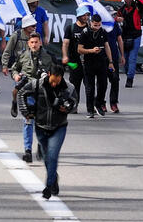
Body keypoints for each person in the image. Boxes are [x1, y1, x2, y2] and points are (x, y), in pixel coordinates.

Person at [16, 63, 76, 199]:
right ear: (49, 75)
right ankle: (53, 177)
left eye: (58, 80)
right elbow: (21, 93)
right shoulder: (37, 84)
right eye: (53, 80)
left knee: (53, 156)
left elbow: (74, 103)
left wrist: (67, 108)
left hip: (59, 127)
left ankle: (48, 187)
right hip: (41, 126)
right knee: (46, 157)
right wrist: (24, 110)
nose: (55, 84)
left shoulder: (69, 87)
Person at [11, 33, 55, 162]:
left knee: (43, 123)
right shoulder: (23, 56)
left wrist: (49, 76)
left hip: (43, 93)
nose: (34, 45)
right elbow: (14, 68)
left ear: (40, 43)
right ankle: (27, 150)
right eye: (32, 42)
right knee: (28, 121)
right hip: (28, 92)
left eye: (36, 42)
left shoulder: (48, 57)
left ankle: (41, 145)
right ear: (28, 44)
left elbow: (57, 73)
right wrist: (16, 76)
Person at [77, 14, 113, 119]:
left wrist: (111, 61)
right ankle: (90, 109)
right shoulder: (85, 33)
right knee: (90, 87)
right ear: (91, 22)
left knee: (103, 85)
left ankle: (98, 103)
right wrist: (91, 50)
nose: (97, 27)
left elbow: (107, 46)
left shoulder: (103, 32)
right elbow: (79, 49)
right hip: (89, 62)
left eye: (99, 25)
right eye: (95, 25)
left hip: (101, 62)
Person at [61, 6, 91, 103]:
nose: (86, 17)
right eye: (83, 15)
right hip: (74, 61)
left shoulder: (90, 28)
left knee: (89, 85)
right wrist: (65, 56)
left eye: (87, 15)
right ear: (78, 16)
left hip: (88, 61)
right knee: (74, 84)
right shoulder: (71, 28)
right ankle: (74, 104)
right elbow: (65, 43)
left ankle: (91, 106)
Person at [119, 0, 143, 87]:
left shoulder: (137, 7)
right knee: (125, 59)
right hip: (124, 36)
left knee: (132, 58)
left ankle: (130, 78)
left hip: (136, 35)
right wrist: (118, 19)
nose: (125, 0)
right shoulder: (122, 9)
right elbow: (115, 17)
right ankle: (128, 73)